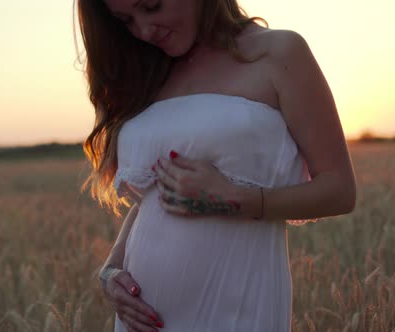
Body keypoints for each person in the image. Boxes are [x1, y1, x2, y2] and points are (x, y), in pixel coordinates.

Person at [76, 0, 357, 331]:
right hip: (141, 317)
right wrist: (111, 269)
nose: (144, 30)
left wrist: (238, 199)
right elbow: (159, 195)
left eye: (151, 6)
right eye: (126, 21)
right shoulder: (152, 69)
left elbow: (340, 189)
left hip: (237, 306)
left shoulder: (280, 53)